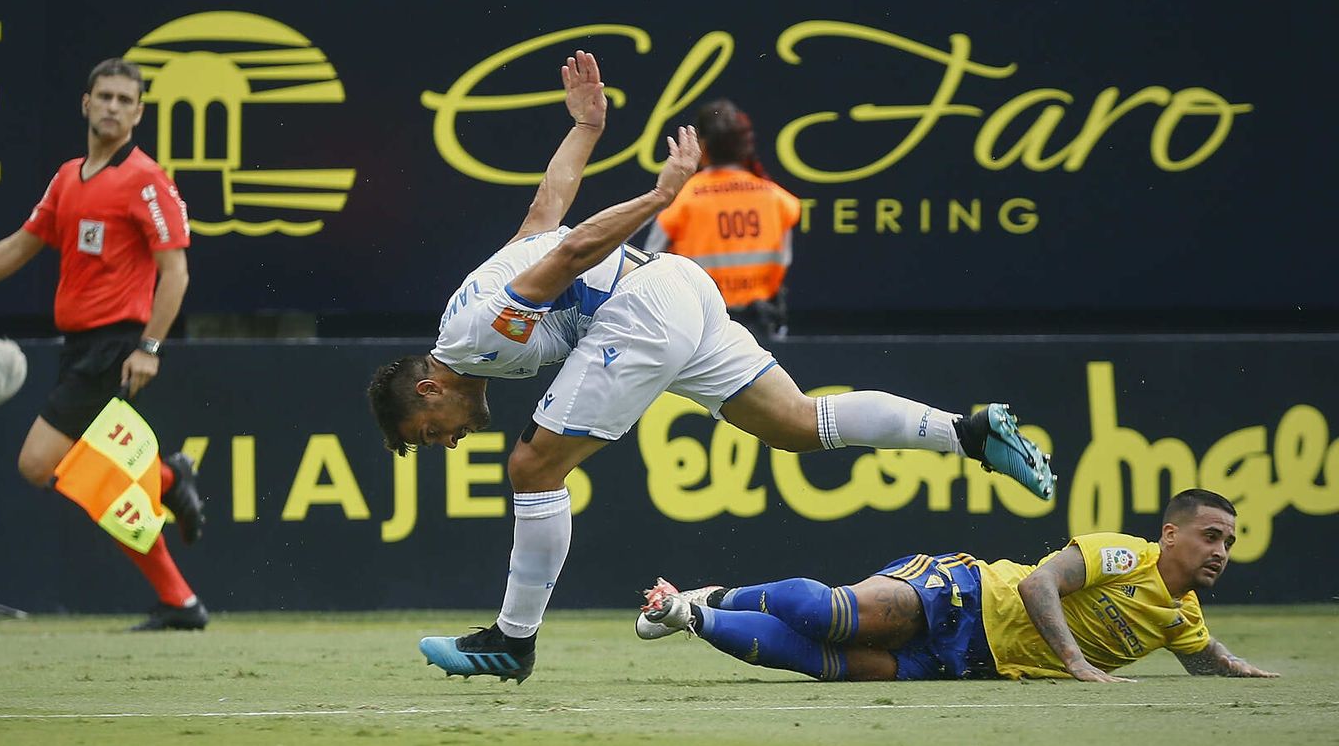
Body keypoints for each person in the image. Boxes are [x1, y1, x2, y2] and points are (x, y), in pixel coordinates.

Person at [367, 51, 1054, 684]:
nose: (449, 442)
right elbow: (542, 211)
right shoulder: (470, 309)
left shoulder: (476, 332)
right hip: (679, 288)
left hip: (642, 307)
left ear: (429, 389)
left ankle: (513, 641)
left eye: (431, 432)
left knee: (532, 468)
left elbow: (570, 250)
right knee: (795, 423)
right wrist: (585, 129)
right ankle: (969, 433)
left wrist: (660, 199)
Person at [0, 58, 209, 632]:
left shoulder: (147, 179)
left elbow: (176, 274)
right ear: (86, 103)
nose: (114, 107)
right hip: (79, 347)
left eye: (126, 100)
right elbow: (21, 245)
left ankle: (171, 493)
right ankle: (178, 572)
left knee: (37, 464)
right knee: (102, 481)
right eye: (106, 96)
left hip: (116, 346)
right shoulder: (69, 176)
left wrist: (149, 346)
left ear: (139, 112)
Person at [638, 488, 1278, 681]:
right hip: (967, 594)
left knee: (826, 664)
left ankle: (685, 616)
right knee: (830, 614)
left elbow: (1206, 658)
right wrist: (1077, 662)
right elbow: (1040, 587)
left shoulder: (1180, 617)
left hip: (967, 661)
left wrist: (1237, 668)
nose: (1220, 550)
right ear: (1170, 535)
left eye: (1228, 542)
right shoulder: (1124, 557)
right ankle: (715, 594)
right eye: (1211, 536)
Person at [644, 99, 798, 341]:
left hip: (697, 326)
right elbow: (784, 259)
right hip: (761, 326)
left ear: (702, 145)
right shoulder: (778, 199)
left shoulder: (681, 197)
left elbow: (650, 262)